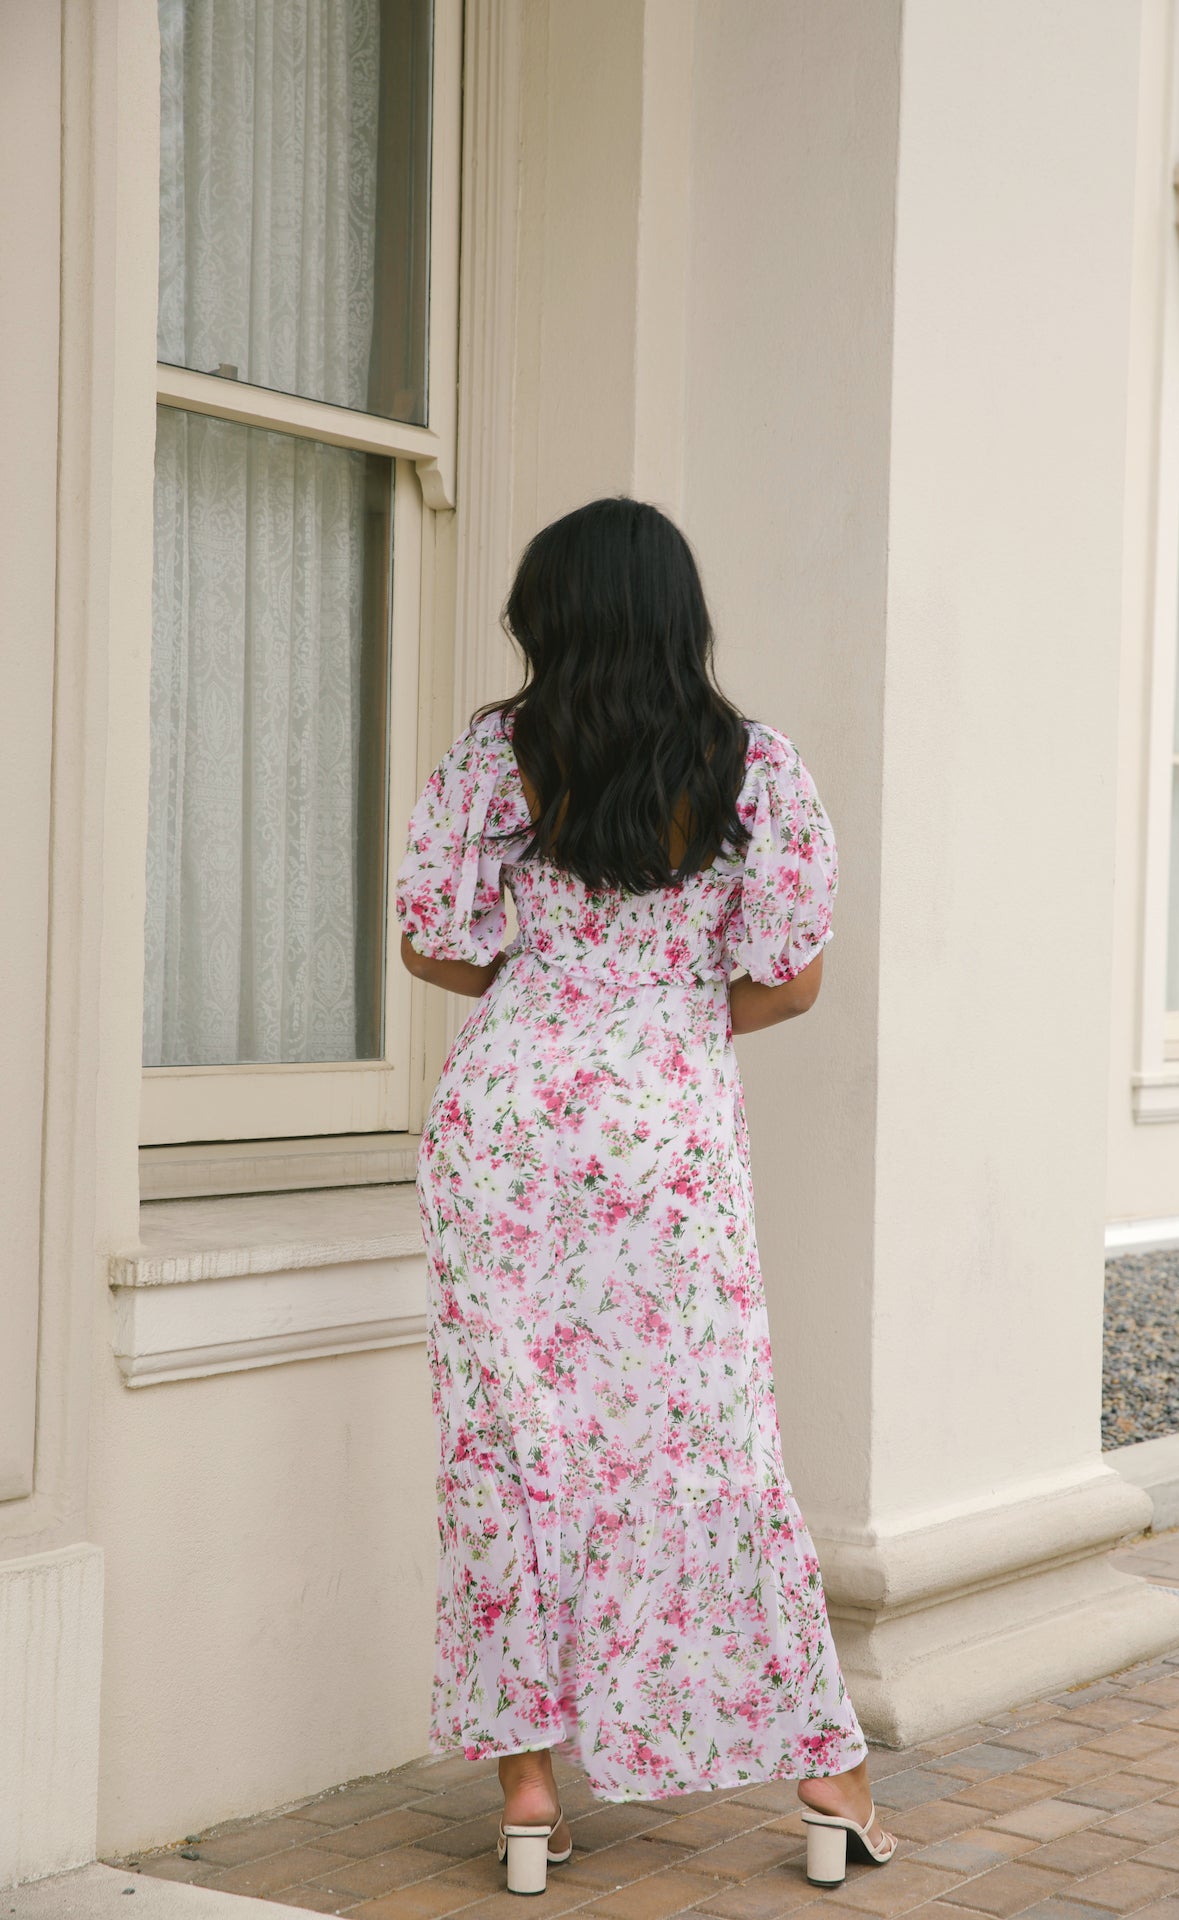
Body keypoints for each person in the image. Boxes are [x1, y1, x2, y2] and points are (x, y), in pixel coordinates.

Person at [394, 496, 896, 1896]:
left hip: (501, 1125)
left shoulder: (498, 759)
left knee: (513, 1451)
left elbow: (434, 943)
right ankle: (829, 1780)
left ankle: (531, 1806)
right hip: (664, 1131)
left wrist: (557, 997)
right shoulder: (755, 769)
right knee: (708, 1443)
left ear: (549, 619)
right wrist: (657, 1013)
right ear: (681, 614)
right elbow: (790, 978)